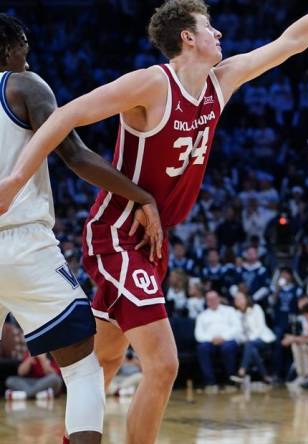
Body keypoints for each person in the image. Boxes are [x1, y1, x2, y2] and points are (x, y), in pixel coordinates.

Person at [0, 2, 308, 442]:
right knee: (164, 365)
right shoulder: (152, 84)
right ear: (188, 37)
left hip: (154, 240)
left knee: (106, 359)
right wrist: (16, 177)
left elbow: (293, 41)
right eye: (210, 27)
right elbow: (67, 114)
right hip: (118, 233)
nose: (220, 34)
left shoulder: (220, 82)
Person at [0, 13, 163, 444]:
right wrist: (139, 195)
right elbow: (75, 155)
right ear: (10, 49)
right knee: (82, 368)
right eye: (24, 52)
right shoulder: (23, 85)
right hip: (20, 243)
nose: (28, 61)